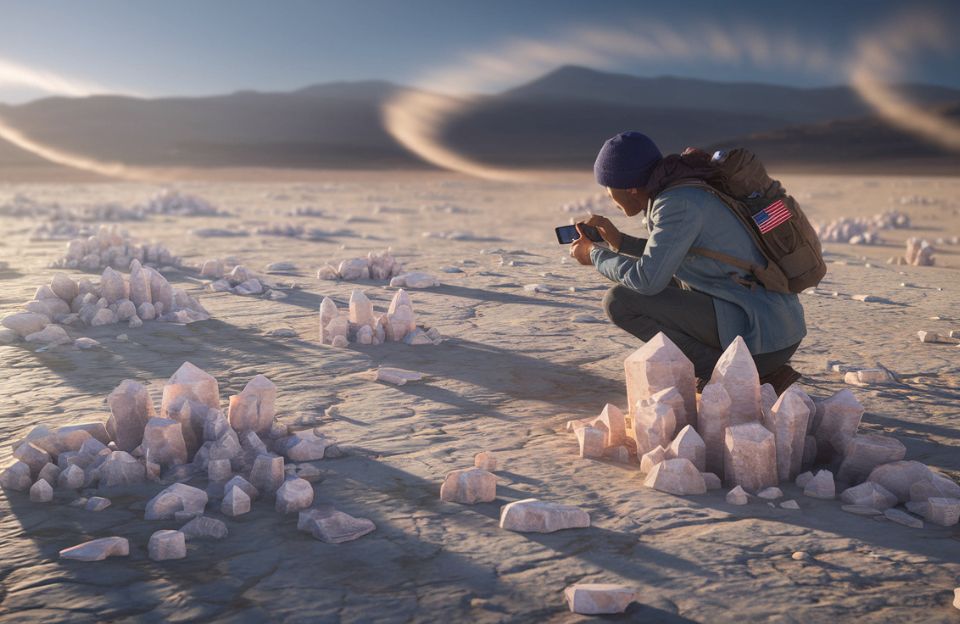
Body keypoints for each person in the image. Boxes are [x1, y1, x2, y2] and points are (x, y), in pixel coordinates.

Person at [569, 131, 805, 394]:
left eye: (608, 187)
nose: (609, 197)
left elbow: (647, 280)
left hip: (763, 337)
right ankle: (748, 367)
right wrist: (620, 242)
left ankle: (737, 373)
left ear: (629, 187)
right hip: (771, 328)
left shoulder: (677, 204)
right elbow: (673, 256)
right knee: (667, 282)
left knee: (619, 301)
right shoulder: (683, 192)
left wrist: (594, 254)